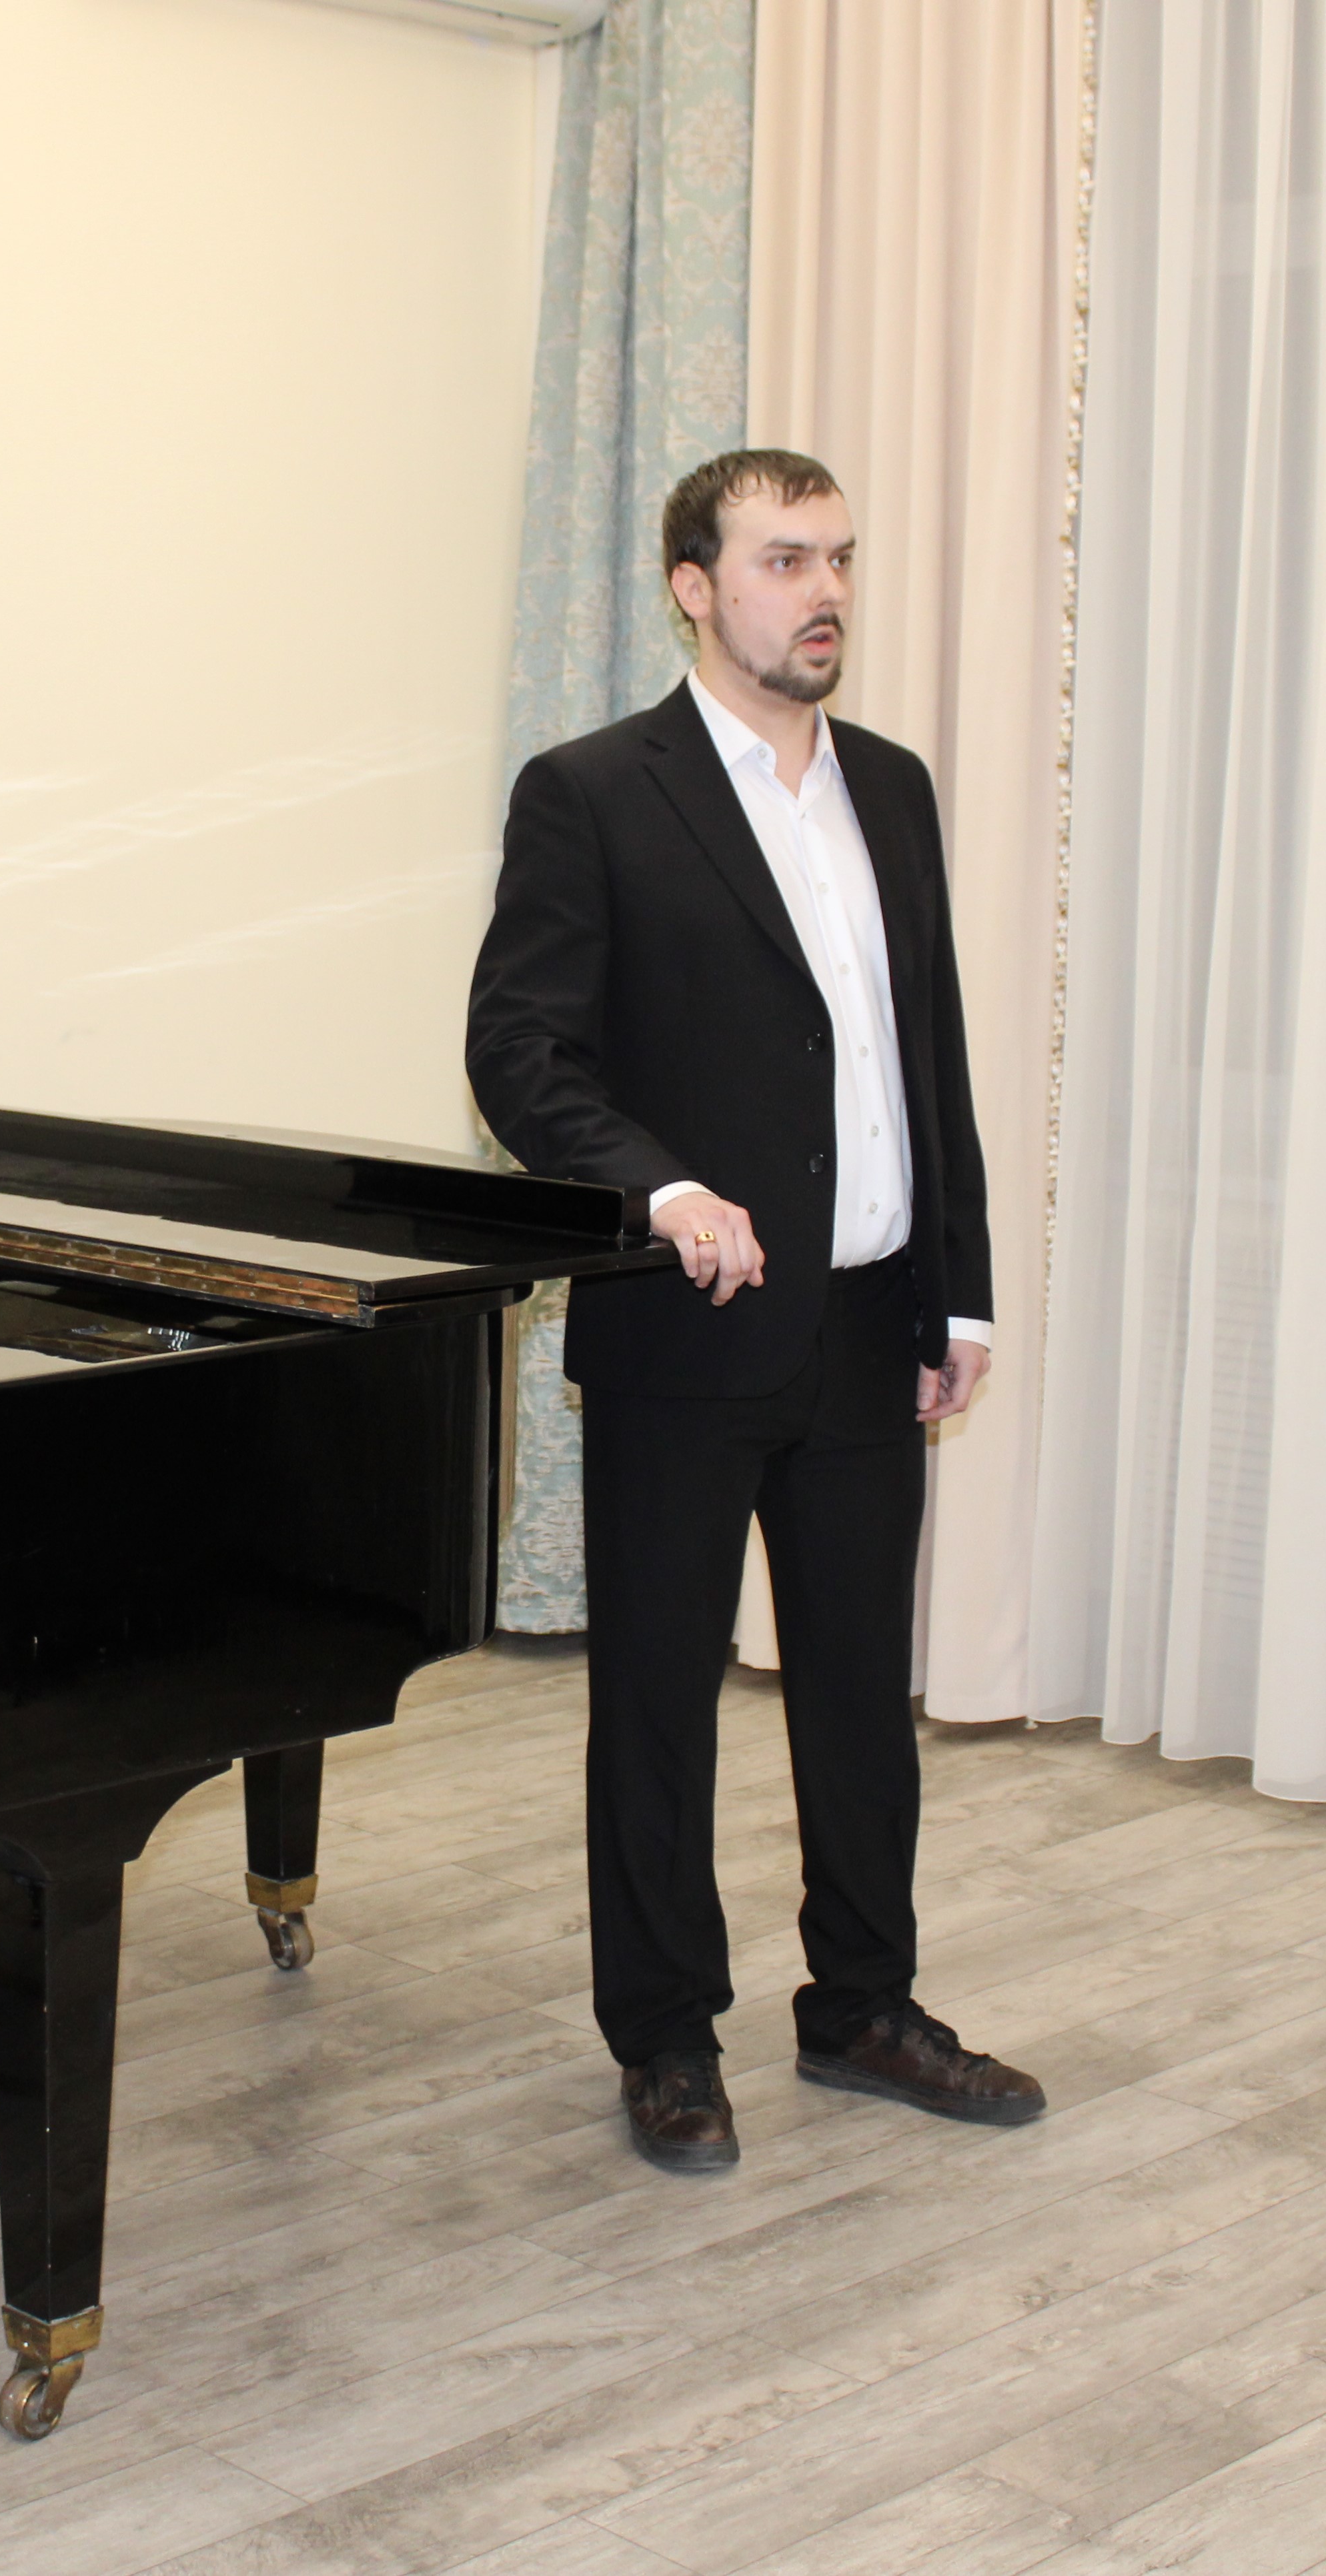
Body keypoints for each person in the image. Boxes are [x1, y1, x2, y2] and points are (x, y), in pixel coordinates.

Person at [467, 449, 1045, 2173]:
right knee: (655, 1700)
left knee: (859, 1695)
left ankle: (864, 2002)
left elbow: (923, 1057)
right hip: (687, 1328)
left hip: (870, 1323)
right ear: (694, 588)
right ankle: (664, 2036)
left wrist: (958, 1288)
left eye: (838, 558)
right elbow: (519, 1052)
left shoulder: (893, 792)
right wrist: (657, 1190)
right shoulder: (593, 793)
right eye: (785, 559)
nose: (825, 591)